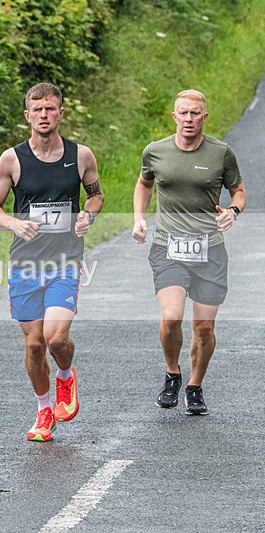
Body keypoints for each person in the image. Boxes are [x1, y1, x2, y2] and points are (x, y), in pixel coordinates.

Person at [0, 83, 103, 441]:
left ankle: (66, 376)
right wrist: (13, 222)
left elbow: (96, 196)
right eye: (37, 110)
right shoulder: (12, 159)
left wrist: (88, 215)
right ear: (27, 115)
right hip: (25, 264)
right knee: (34, 344)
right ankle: (43, 411)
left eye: (50, 109)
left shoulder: (81, 155)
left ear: (60, 113)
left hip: (65, 261)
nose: (43, 116)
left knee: (54, 338)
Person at [132, 89, 246, 416]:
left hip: (209, 250)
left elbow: (238, 192)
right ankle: (172, 374)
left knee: (204, 328)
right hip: (168, 247)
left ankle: (195, 386)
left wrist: (232, 211)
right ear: (174, 116)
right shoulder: (155, 151)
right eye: (183, 113)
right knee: (170, 318)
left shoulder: (221, 153)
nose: (188, 119)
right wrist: (140, 219)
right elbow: (144, 183)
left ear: (204, 117)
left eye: (195, 114)